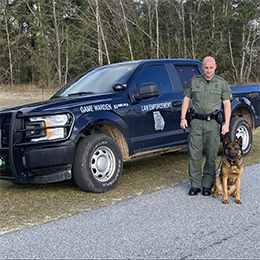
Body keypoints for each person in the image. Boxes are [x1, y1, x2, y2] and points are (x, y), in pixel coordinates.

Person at [180, 56, 232, 196]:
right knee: (194, 155)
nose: (208, 71)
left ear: (215, 67)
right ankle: (195, 185)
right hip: (196, 122)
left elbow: (227, 104)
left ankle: (208, 185)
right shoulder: (194, 81)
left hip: (213, 124)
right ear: (202, 67)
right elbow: (186, 99)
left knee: (211, 155)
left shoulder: (221, 83)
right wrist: (183, 118)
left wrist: (226, 123)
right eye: (206, 68)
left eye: (211, 68)